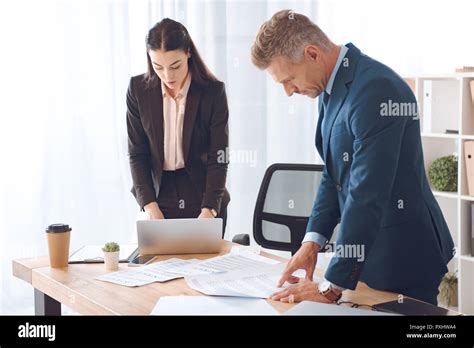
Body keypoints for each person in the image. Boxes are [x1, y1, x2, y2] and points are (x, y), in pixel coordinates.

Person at [251, 10, 454, 305]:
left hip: (403, 254)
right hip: (367, 255)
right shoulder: (329, 87)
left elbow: (366, 192)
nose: (288, 91)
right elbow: (333, 174)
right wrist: (312, 242)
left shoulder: (376, 89)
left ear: (312, 54)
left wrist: (330, 288)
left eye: (289, 79)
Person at [127, 18, 230, 236]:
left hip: (203, 193)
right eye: (158, 67)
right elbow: (137, 153)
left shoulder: (213, 92)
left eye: (175, 66)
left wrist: (209, 209)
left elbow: (219, 156)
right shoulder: (138, 90)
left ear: (189, 53)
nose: (167, 76)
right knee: (159, 268)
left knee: (205, 267)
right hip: (158, 194)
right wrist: (150, 206)